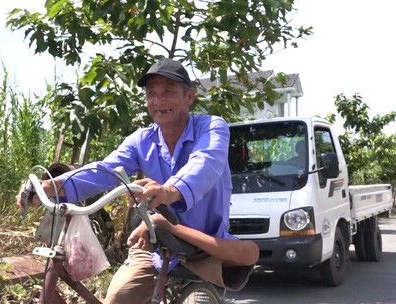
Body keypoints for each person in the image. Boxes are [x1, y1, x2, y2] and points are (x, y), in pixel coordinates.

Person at [17, 57, 259, 303]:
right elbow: (104, 170)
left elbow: (206, 162)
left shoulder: (211, 127)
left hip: (205, 245)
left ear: (189, 97)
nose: (159, 101)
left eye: (168, 91)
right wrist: (51, 186)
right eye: (151, 93)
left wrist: (169, 190)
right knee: (118, 299)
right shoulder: (141, 140)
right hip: (155, 243)